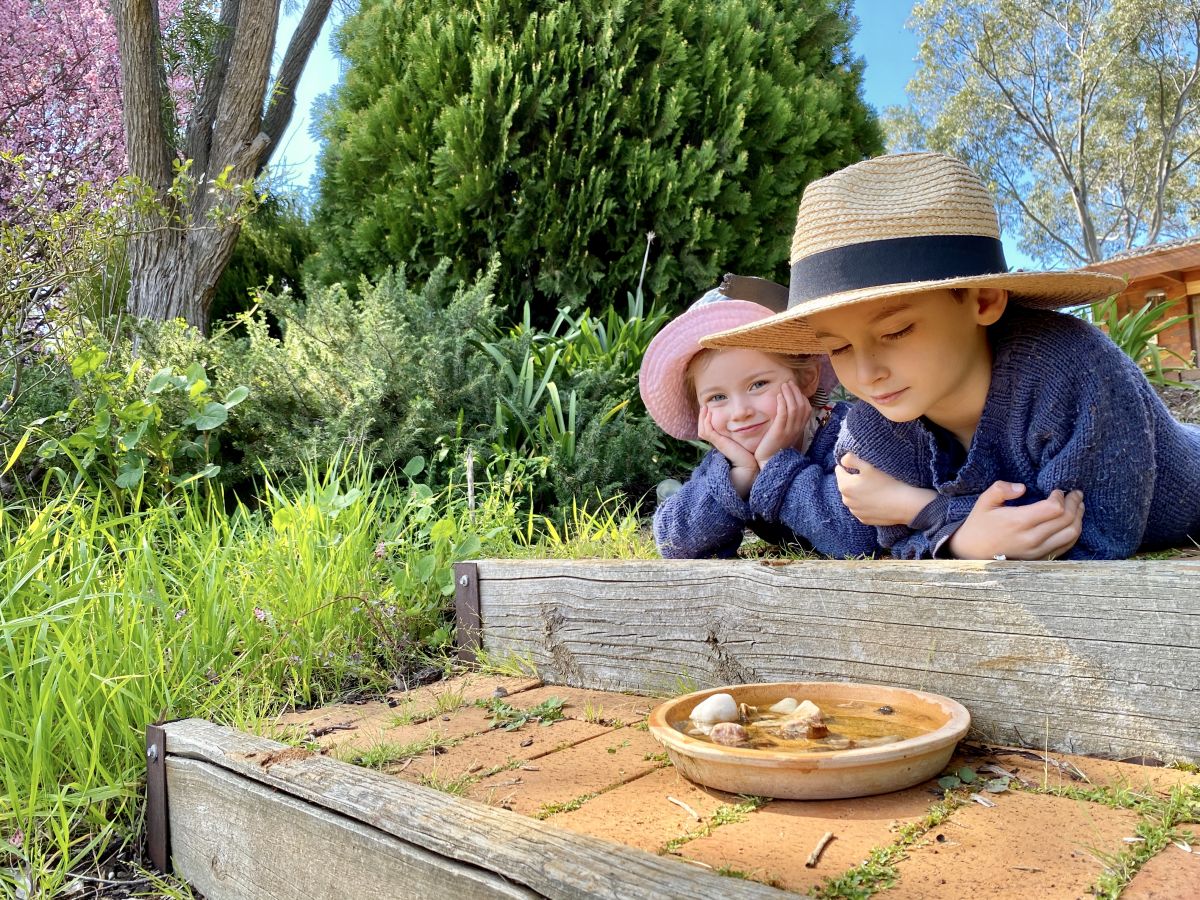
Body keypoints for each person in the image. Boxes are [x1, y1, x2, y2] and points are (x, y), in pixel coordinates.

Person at [701, 152, 1200, 560]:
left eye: (896, 330)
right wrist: (958, 535)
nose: (868, 373)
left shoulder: (1070, 367)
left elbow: (1088, 538)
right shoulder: (874, 423)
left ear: (982, 301)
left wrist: (919, 508)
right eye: (839, 346)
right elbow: (880, 542)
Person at [640, 277, 891, 559]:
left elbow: (858, 537)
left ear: (807, 378)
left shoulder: (850, 436)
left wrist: (774, 462)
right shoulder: (729, 461)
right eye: (717, 397)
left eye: (758, 385)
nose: (740, 411)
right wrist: (740, 477)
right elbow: (675, 543)